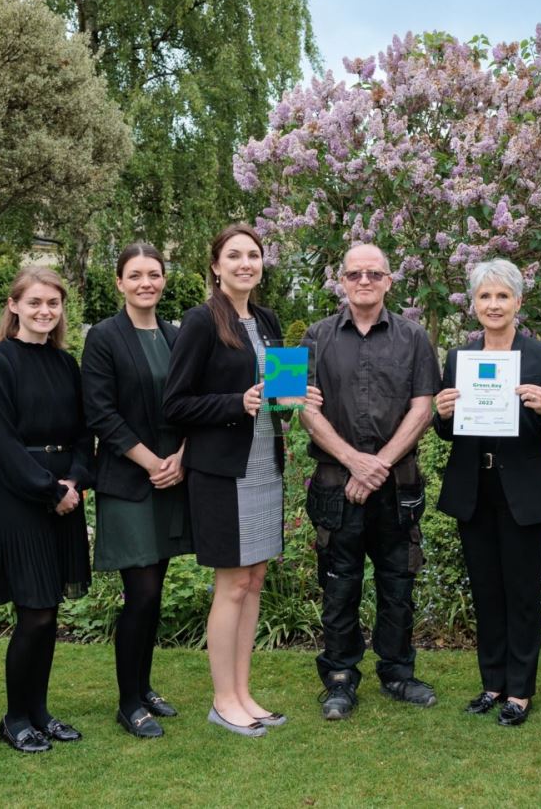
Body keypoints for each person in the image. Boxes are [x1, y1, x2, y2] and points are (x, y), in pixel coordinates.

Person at [163, 223, 314, 738]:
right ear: (216, 266)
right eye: (234, 256)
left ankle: (245, 693)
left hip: (264, 466)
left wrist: (293, 399)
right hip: (221, 473)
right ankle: (223, 699)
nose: (245, 263)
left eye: (253, 255)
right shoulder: (201, 321)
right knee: (230, 586)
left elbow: (278, 396)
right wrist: (236, 403)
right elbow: (175, 403)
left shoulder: (268, 321)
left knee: (254, 582)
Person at [299, 243, 440, 720]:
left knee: (398, 582)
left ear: (388, 281)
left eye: (374, 273)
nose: (364, 280)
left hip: (397, 483)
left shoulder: (415, 337)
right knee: (338, 585)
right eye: (355, 273)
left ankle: (399, 672)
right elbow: (297, 407)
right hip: (334, 483)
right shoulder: (311, 339)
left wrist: (376, 463)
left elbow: (424, 409)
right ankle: (339, 678)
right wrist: (354, 461)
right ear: (341, 280)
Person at [433, 258, 541, 728]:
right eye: (485, 296)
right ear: (474, 305)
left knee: (522, 592)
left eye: (502, 296)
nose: (493, 304)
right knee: (486, 590)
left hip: (523, 491)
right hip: (475, 488)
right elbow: (446, 433)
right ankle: (492, 684)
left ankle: (520, 691)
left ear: (518, 302)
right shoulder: (459, 358)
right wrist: (443, 411)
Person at [0, 267, 94, 753]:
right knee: (35, 614)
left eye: (54, 304)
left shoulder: (67, 365)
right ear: (14, 305)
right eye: (36, 302)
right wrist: (51, 490)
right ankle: (15, 717)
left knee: (52, 613)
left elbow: (87, 433)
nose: (46, 311)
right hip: (23, 500)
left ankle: (40, 712)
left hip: (64, 494)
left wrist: (77, 480)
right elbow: (4, 444)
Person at [82, 243, 190, 739]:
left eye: (154, 274)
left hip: (174, 476)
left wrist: (181, 458)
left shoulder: (177, 335)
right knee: (140, 593)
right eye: (135, 275)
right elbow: (101, 413)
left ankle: (144, 688)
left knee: (156, 591)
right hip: (130, 481)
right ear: (119, 282)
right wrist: (152, 463)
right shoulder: (104, 337)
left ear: (163, 280)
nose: (146, 282)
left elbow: (192, 401)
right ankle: (129, 703)